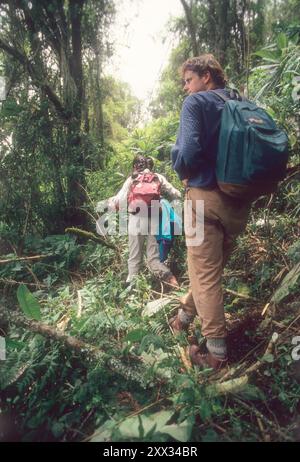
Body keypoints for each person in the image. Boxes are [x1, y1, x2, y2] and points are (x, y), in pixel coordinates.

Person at [170, 54, 251, 370]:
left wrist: (181, 168)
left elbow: (188, 150)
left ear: (206, 76)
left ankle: (216, 355)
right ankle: (182, 319)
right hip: (238, 206)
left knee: (204, 276)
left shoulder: (196, 104)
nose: (186, 88)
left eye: (188, 80)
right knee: (208, 273)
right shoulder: (238, 102)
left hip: (205, 201)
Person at [108, 155, 181, 287]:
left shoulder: (132, 178)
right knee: (153, 258)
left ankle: (132, 288)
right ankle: (171, 280)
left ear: (135, 166)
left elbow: (119, 200)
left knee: (135, 256)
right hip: (154, 217)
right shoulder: (158, 177)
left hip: (136, 219)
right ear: (151, 166)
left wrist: (113, 203)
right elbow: (175, 193)